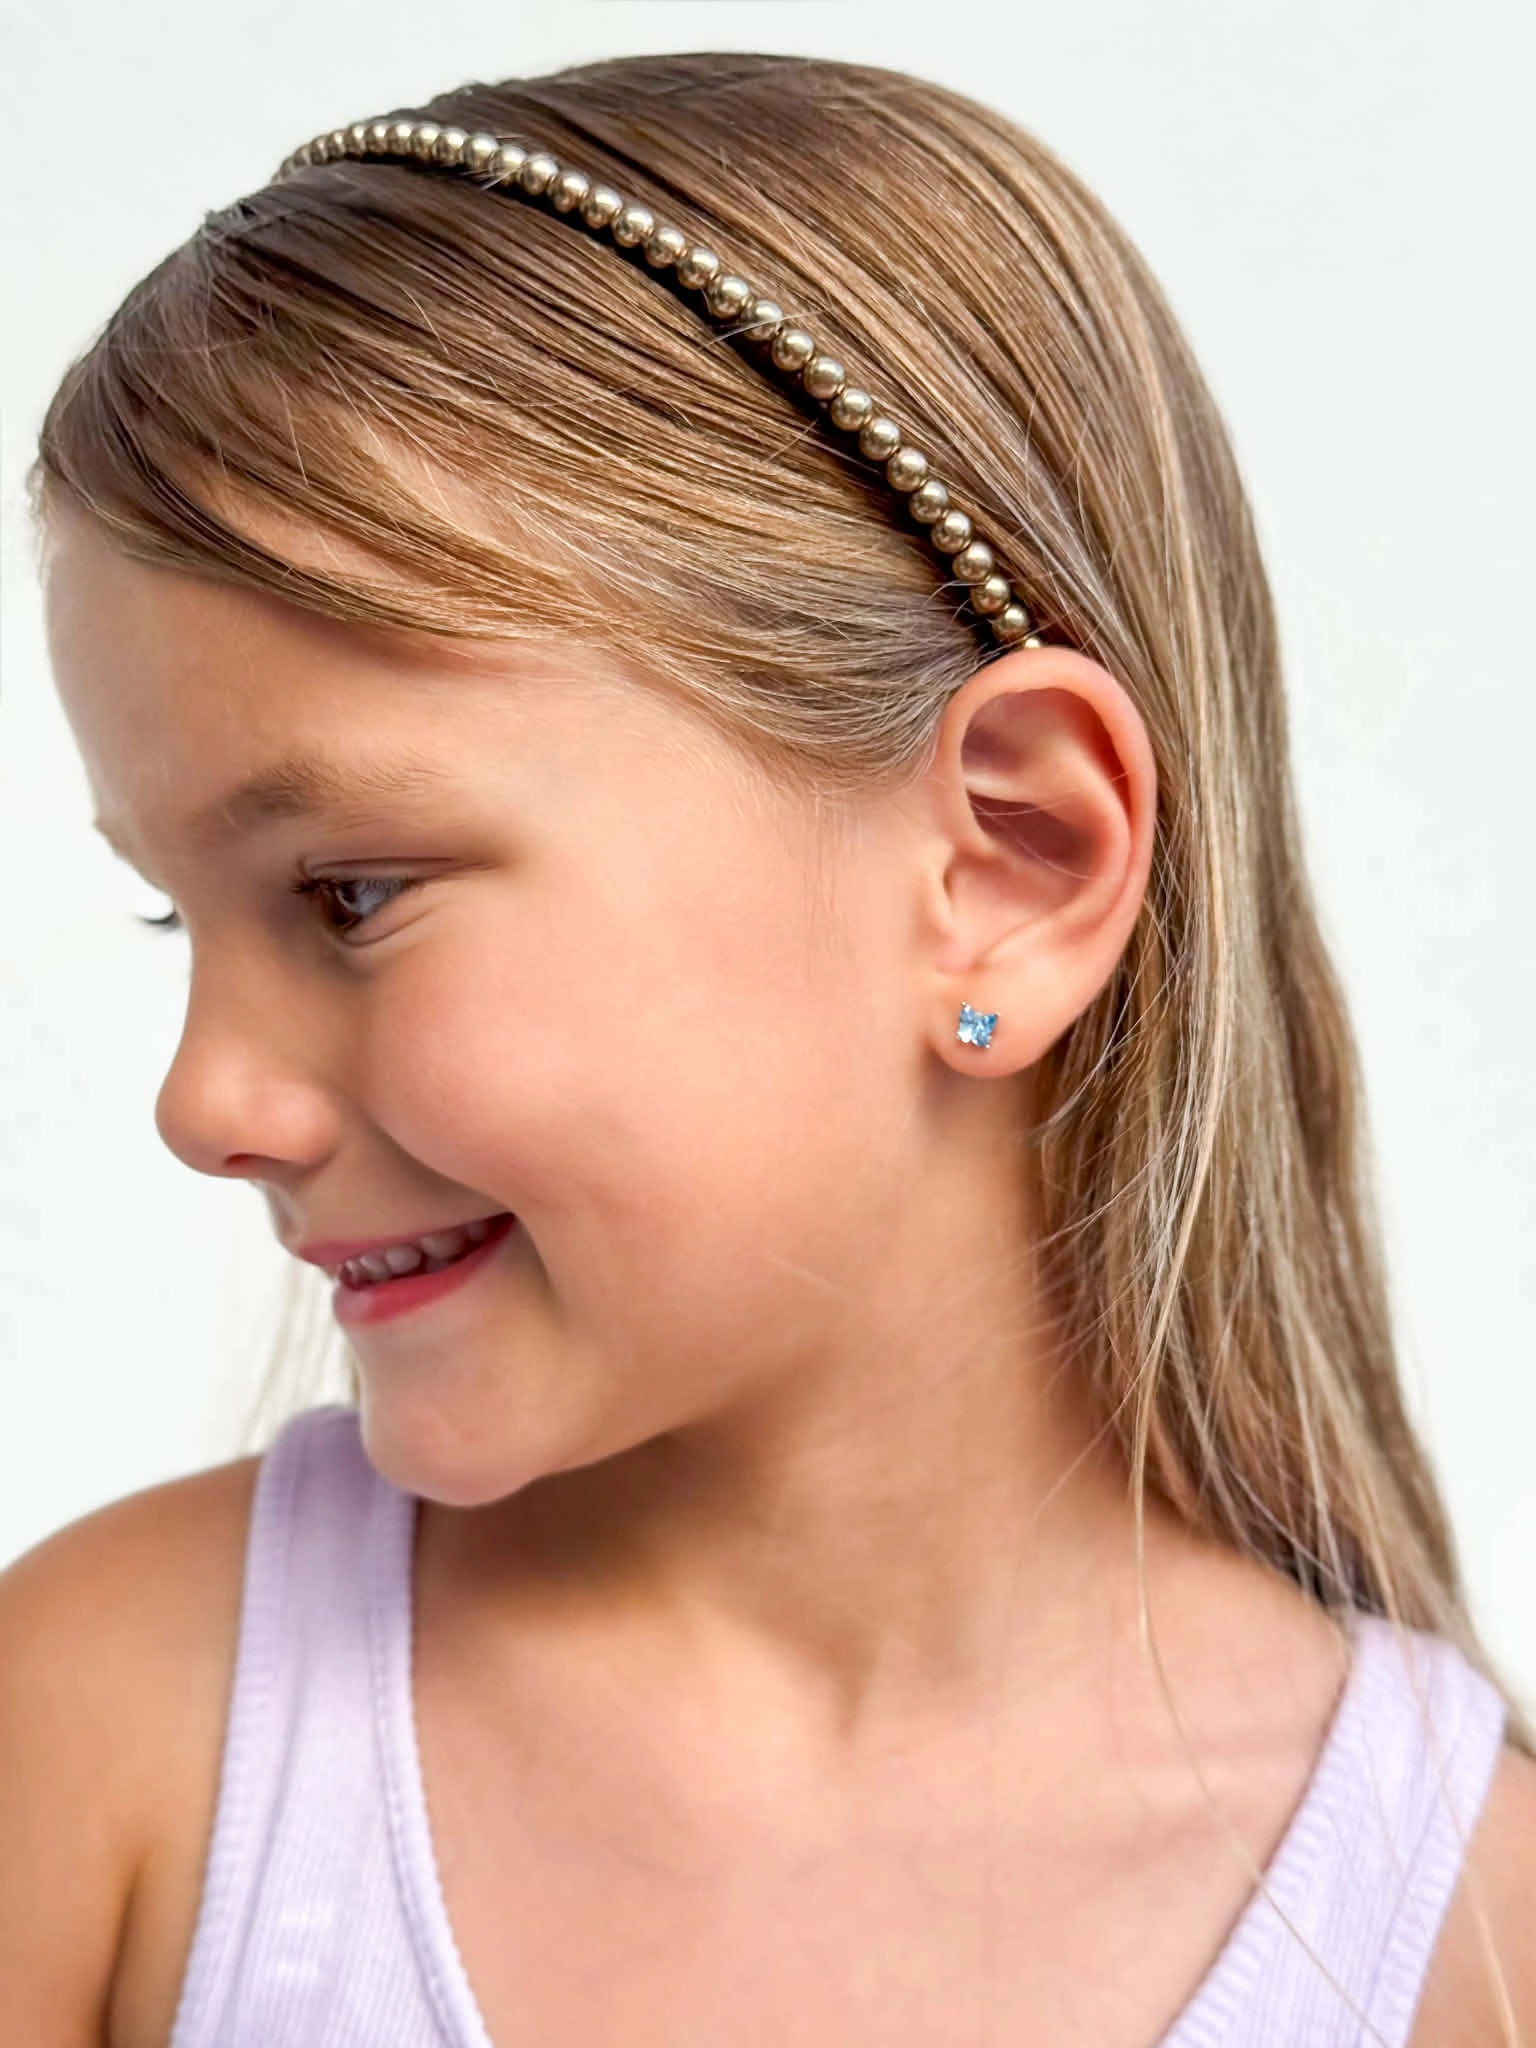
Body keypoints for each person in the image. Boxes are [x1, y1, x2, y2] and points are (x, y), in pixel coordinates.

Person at [2, 50, 1531, 2048]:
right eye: (173, 913)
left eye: (351, 892)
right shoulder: (111, 1739)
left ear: (1013, 861)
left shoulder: (1453, 1940)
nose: (207, 1101)